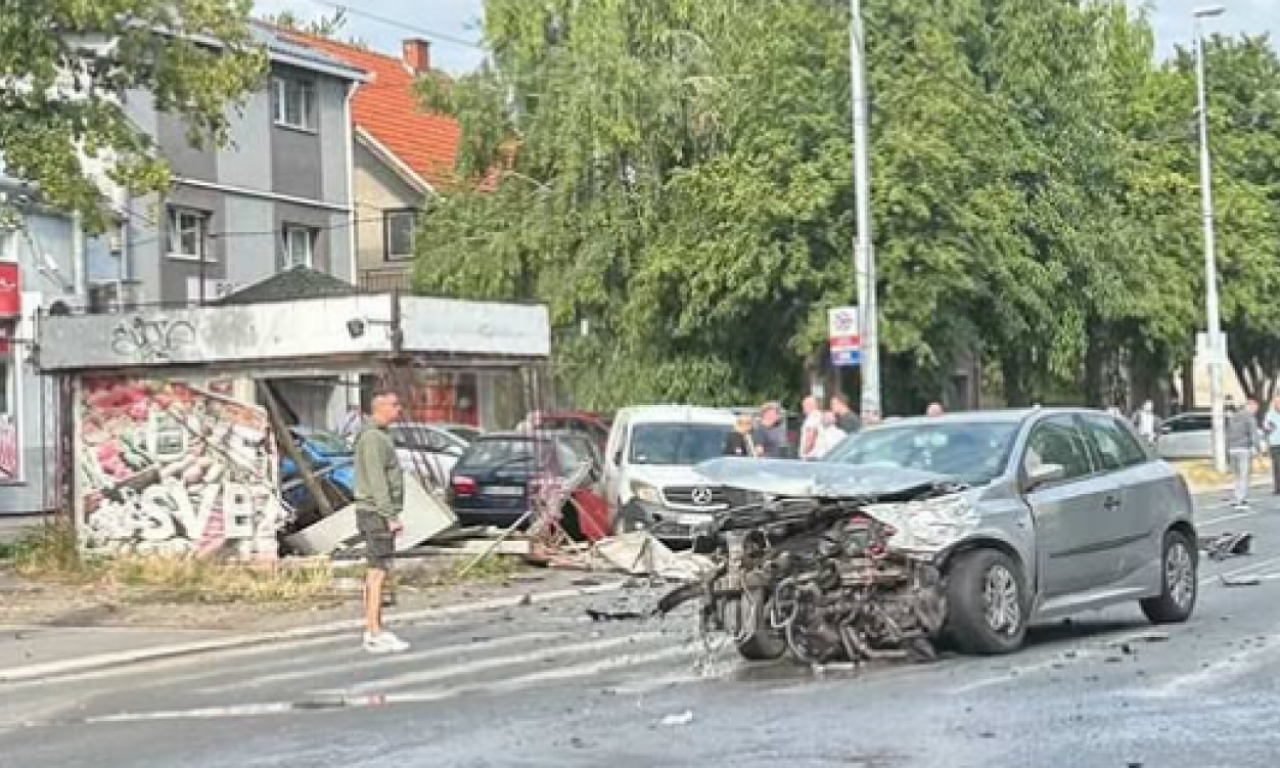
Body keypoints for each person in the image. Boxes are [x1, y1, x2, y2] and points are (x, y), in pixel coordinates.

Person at [353, 389, 410, 654]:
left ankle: (376, 628)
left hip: (376, 511)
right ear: (380, 407)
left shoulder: (379, 435)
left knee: (378, 571)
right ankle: (373, 631)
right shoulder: (374, 438)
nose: (399, 409)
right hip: (375, 513)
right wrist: (390, 516)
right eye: (395, 404)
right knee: (377, 571)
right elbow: (377, 481)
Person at [1226, 398, 1261, 510]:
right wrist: (1258, 449)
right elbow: (1254, 434)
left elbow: (1228, 433)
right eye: (1255, 409)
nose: (1255, 411)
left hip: (1232, 449)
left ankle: (1237, 497)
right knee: (1244, 475)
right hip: (1243, 449)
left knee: (1236, 475)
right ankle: (1240, 501)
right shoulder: (1249, 418)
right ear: (1250, 406)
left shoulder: (1234, 417)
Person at [798, 395, 823, 460]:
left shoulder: (812, 418)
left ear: (810, 405)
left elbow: (810, 436)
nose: (803, 408)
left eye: (804, 405)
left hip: (810, 456)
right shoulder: (819, 415)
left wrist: (804, 453)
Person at [1266, 396, 1280, 495]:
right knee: (1277, 466)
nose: (1278, 405)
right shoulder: (1270, 414)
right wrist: (1269, 428)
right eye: (1276, 403)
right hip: (1274, 443)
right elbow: (1266, 426)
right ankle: (1277, 488)